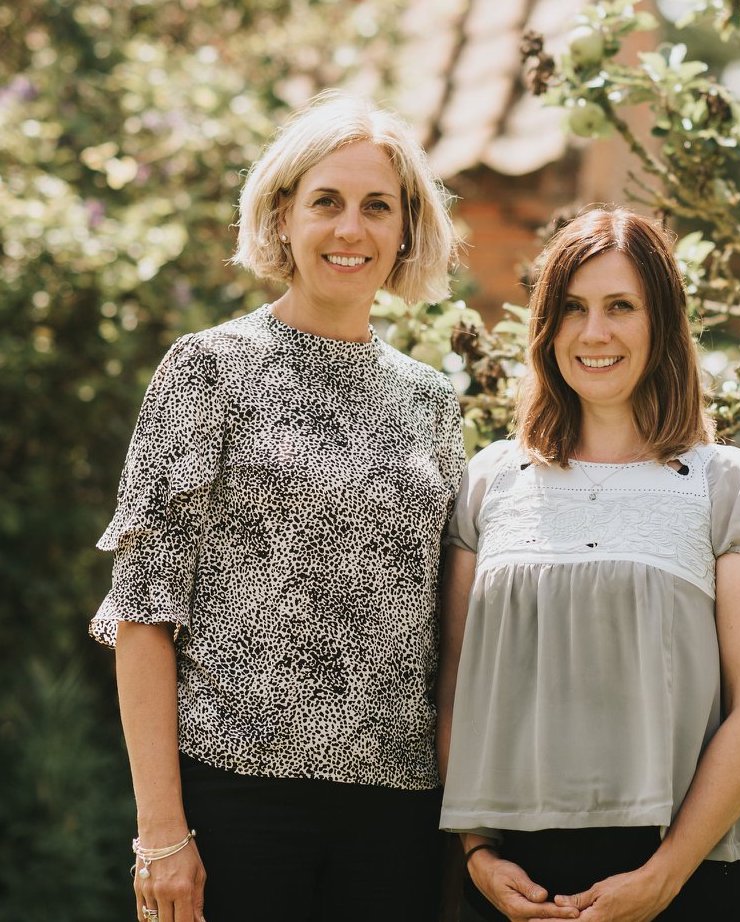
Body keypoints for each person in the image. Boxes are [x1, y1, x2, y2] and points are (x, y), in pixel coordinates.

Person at [90, 89, 465, 922]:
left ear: (407, 229)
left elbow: (452, 627)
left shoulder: (432, 400)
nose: (351, 230)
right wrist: (161, 833)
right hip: (236, 807)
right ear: (282, 214)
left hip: (398, 814)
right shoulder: (206, 371)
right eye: (326, 201)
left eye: (378, 207)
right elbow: (144, 613)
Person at [436, 206, 740, 922]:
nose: (594, 332)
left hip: (689, 872)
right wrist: (478, 851)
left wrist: (663, 877)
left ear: (661, 323)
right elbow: (452, 688)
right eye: (572, 308)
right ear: (546, 326)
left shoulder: (725, 483)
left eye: (620, 307)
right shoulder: (488, 481)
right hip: (517, 886)